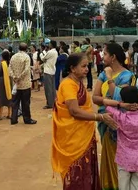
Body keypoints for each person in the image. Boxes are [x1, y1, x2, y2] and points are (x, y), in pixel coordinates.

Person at [51, 53, 114, 189]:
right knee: (76, 172)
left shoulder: (78, 83)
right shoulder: (68, 84)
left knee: (85, 171)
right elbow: (74, 111)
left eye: (88, 66)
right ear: (73, 68)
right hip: (73, 138)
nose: (87, 69)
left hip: (83, 135)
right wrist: (100, 117)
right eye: (84, 66)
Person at [92, 43, 135, 190]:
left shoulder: (128, 76)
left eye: (105, 54)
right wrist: (109, 104)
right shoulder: (103, 74)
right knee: (109, 157)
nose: (103, 57)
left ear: (113, 57)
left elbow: (122, 98)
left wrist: (110, 79)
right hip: (106, 120)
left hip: (122, 123)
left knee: (122, 160)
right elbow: (95, 98)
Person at [105, 86, 138, 190]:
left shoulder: (121, 117)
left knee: (123, 185)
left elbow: (106, 105)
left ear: (123, 100)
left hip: (124, 158)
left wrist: (120, 104)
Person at [9, 42, 37, 125]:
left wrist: (14, 77)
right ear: (26, 49)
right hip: (25, 84)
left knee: (15, 103)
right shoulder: (26, 57)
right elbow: (26, 70)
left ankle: (13, 119)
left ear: (19, 48)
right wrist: (20, 77)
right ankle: (27, 119)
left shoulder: (13, 57)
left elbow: (9, 67)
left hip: (16, 84)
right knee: (25, 103)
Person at [0, 50, 13, 120]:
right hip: (9, 81)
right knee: (9, 97)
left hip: (2, 82)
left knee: (1, 98)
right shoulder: (10, 64)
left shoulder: (2, 64)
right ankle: (10, 114)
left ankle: (0, 115)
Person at [40, 40, 58, 109]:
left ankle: (50, 103)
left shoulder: (50, 52)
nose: (48, 45)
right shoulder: (55, 52)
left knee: (48, 89)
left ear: (51, 45)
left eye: (49, 44)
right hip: (52, 70)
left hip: (47, 71)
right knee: (52, 88)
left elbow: (43, 58)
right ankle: (54, 101)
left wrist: (42, 53)